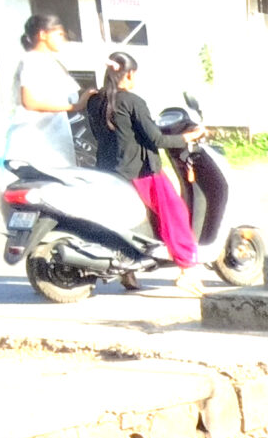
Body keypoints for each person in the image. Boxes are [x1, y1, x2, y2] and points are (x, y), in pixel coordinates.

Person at [84, 51, 206, 293]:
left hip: (107, 170)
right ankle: (187, 271)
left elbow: (100, 134)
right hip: (139, 171)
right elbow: (156, 139)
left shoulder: (95, 101)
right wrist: (187, 137)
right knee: (175, 213)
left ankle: (127, 272)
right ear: (129, 74)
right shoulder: (133, 101)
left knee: (125, 220)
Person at [6, 13, 80, 168]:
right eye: (59, 34)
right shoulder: (32, 60)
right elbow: (30, 102)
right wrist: (74, 106)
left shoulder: (52, 62)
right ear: (43, 35)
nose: (62, 39)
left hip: (52, 145)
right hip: (35, 146)